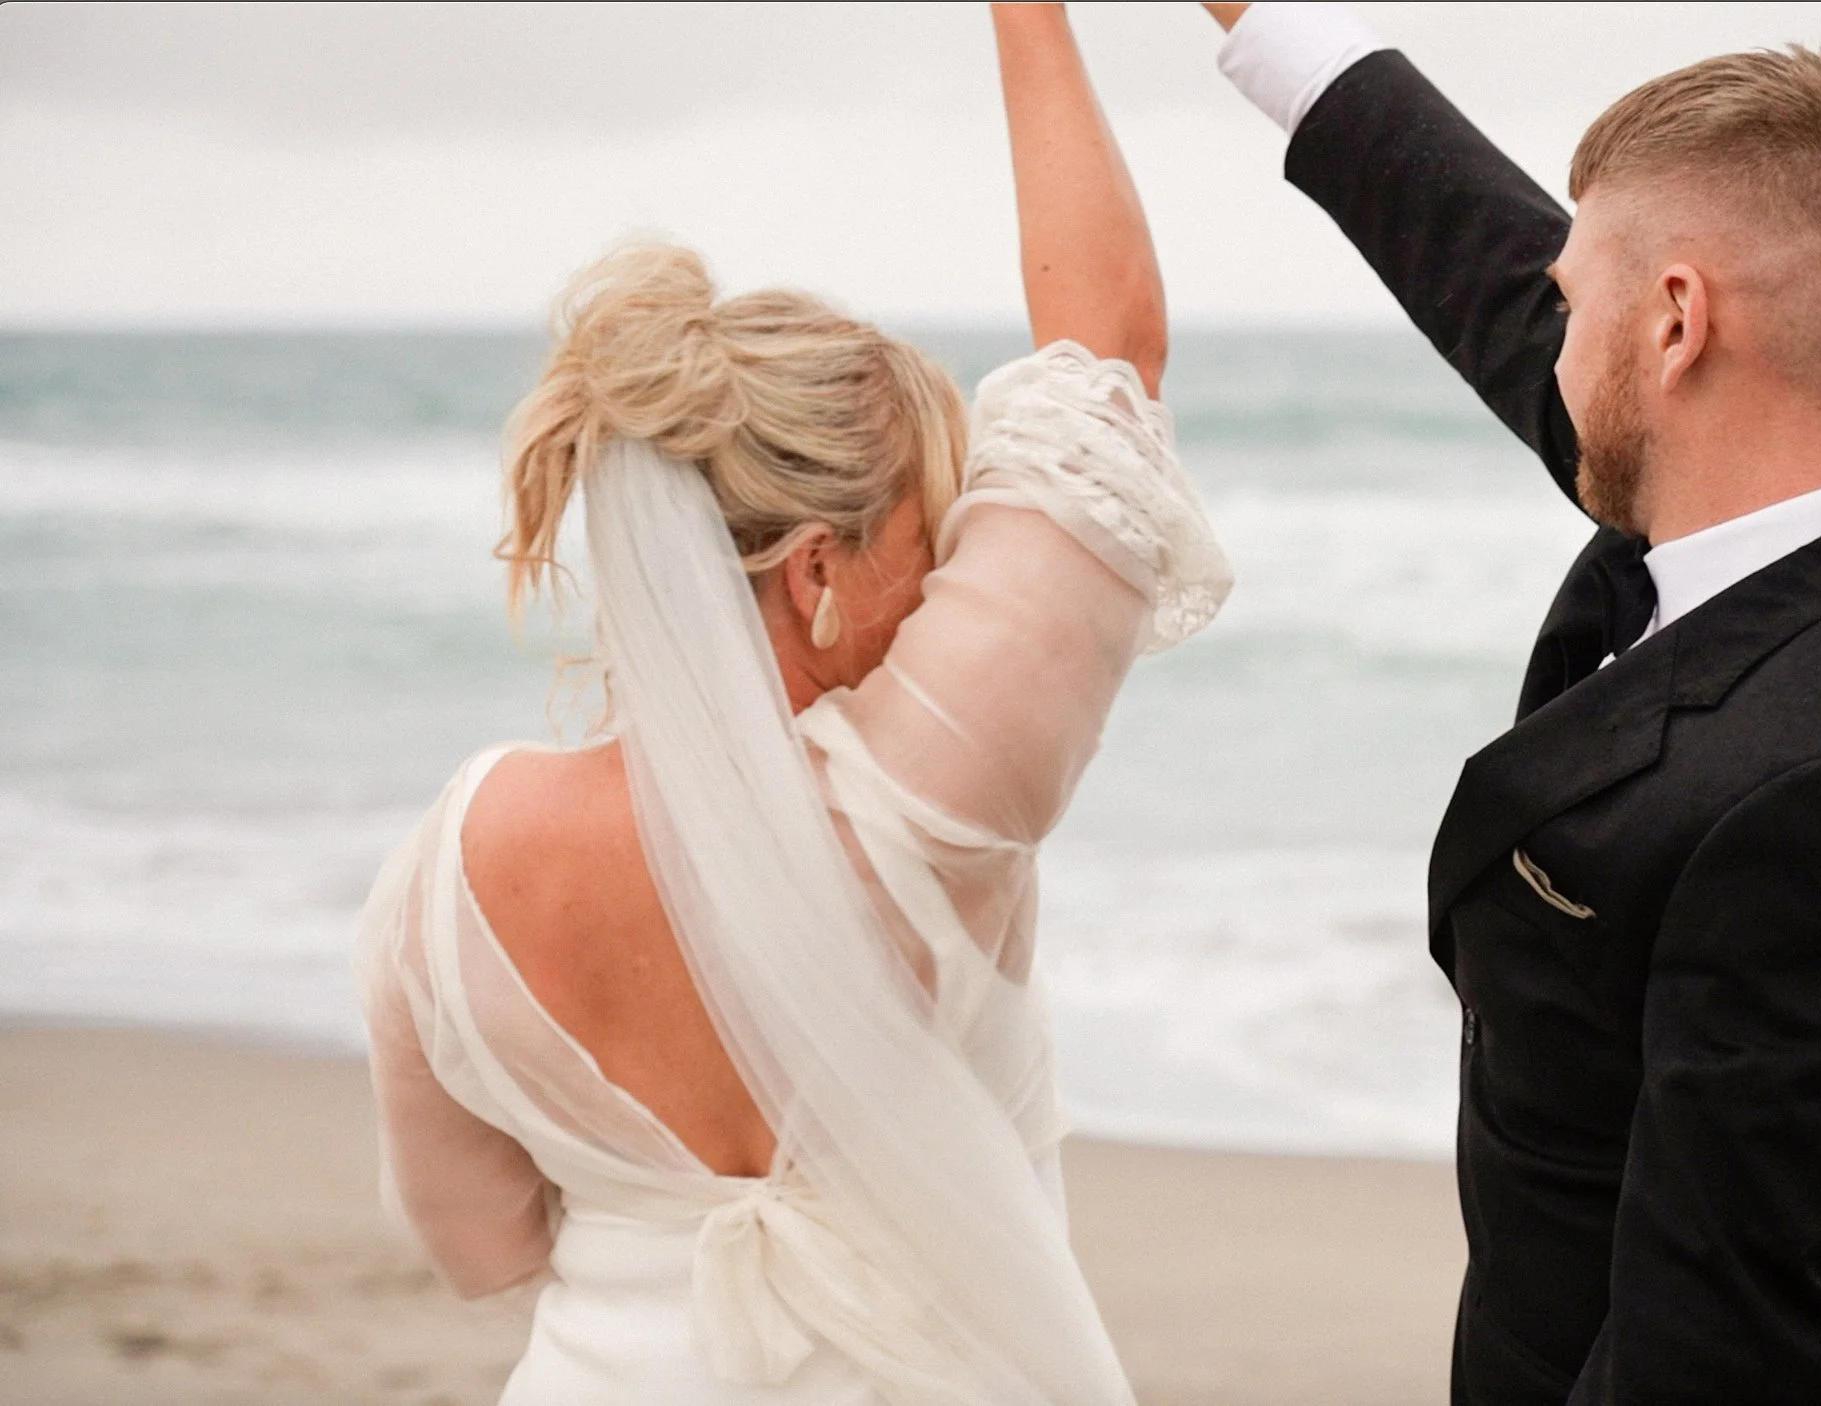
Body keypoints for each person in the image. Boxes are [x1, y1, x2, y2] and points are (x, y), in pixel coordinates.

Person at [354, 7, 1227, 1402]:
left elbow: (481, 1245)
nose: (948, 573)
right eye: (926, 534)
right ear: (819, 569)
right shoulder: (927, 794)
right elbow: (1108, 347)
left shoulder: (451, 870)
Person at [1200, 5, 1821, 1403]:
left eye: (1578, 297)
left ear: (1678, 321)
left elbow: (1714, 1354)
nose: (1548, 326)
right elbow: (1497, 269)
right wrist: (1271, 27)